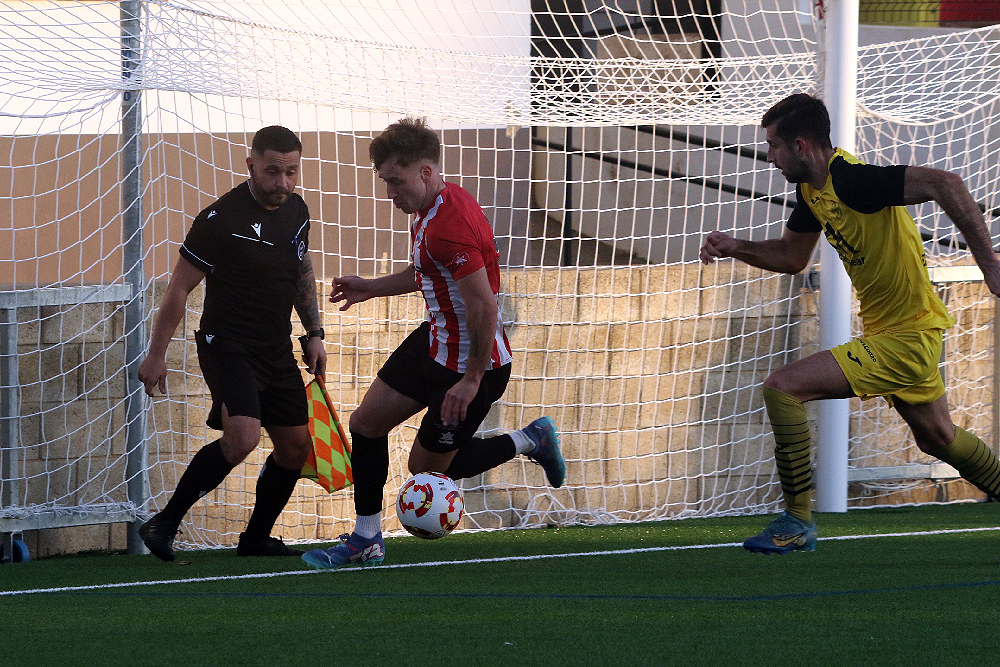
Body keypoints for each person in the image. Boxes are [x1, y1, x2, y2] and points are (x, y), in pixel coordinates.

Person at [700, 93, 1000, 554]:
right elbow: (793, 257)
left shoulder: (854, 181)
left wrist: (989, 264)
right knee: (938, 438)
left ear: (800, 145)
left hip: (908, 336)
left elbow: (947, 182)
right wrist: (734, 246)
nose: (770, 157)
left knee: (783, 386)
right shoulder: (811, 191)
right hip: (896, 333)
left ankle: (797, 522)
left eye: (774, 147)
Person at [301, 117, 565, 570]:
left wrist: (471, 379)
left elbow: (484, 309)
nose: (390, 193)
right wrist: (372, 286)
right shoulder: (432, 206)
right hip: (435, 341)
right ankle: (367, 539)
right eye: (385, 182)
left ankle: (530, 439)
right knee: (365, 425)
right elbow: (426, 272)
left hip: (470, 364)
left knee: (429, 469)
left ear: (424, 172)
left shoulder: (451, 223)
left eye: (395, 181)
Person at [137, 125, 326, 561]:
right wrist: (156, 354)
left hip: (275, 347)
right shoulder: (219, 220)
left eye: (291, 172)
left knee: (296, 447)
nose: (283, 182)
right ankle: (164, 522)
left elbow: (301, 274)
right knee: (242, 438)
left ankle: (255, 539)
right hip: (227, 344)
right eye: (274, 171)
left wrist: (314, 333)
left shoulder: (298, 210)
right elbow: (179, 289)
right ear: (251, 165)